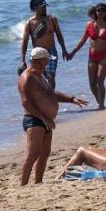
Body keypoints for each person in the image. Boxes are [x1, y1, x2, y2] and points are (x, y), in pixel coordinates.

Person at [19, 47, 89, 185]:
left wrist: (71, 99)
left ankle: (38, 182)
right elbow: (26, 102)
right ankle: (23, 185)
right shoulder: (27, 78)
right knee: (32, 155)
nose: (48, 64)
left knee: (44, 154)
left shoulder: (39, 75)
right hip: (35, 120)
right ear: (40, 61)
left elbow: (51, 93)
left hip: (46, 121)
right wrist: (43, 118)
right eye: (46, 61)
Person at [65, 3, 106, 110]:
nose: (100, 13)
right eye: (99, 10)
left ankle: (101, 105)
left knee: (100, 81)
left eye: (103, 11)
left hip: (105, 55)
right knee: (92, 84)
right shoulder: (89, 24)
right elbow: (82, 41)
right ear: (95, 12)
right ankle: (99, 101)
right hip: (92, 56)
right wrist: (72, 53)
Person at [20, 0, 67, 90]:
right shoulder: (29, 23)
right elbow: (24, 42)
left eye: (45, 6)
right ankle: (42, 97)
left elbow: (59, 35)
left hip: (51, 52)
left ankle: (51, 96)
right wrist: (23, 60)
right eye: (42, 7)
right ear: (34, 9)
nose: (45, 9)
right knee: (38, 78)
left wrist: (64, 50)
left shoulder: (52, 19)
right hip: (37, 54)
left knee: (51, 75)